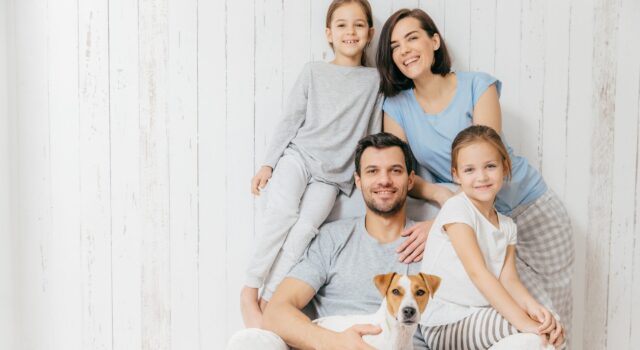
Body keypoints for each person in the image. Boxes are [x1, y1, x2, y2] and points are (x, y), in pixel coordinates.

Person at [375, 8, 574, 335]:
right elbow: (403, 174)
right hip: (480, 225)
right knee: (516, 328)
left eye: (412, 38)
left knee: (554, 325)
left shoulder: (478, 86)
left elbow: (484, 165)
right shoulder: (396, 107)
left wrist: (444, 219)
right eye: (395, 46)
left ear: (435, 41)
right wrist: (440, 197)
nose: (405, 50)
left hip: (530, 210)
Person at [240, 0, 384, 328]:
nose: (351, 32)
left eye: (359, 25)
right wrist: (268, 164)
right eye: (343, 25)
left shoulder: (375, 80)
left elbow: (373, 134)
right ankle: (250, 289)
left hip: (333, 176)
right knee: (282, 214)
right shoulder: (314, 71)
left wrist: (367, 175)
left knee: (304, 232)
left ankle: (269, 299)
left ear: (370, 33)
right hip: (299, 157)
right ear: (329, 33)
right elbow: (291, 119)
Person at [228, 133, 429, 350]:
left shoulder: (433, 241)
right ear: (358, 181)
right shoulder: (332, 239)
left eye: (395, 170)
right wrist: (336, 342)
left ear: (410, 180)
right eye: (372, 171)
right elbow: (276, 312)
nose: (384, 180)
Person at [418, 125, 564, 349]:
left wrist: (534, 309)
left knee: (551, 327)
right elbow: (478, 273)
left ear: (505, 167)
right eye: (470, 170)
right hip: (445, 322)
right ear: (456, 175)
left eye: (490, 166)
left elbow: (509, 280)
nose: (482, 177)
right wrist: (524, 322)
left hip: (480, 316)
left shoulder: (507, 226)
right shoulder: (457, 209)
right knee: (534, 334)